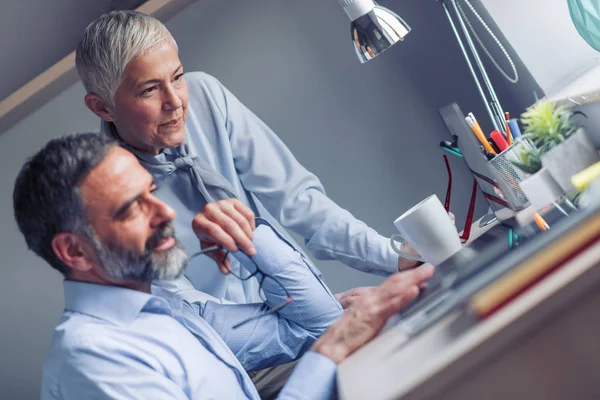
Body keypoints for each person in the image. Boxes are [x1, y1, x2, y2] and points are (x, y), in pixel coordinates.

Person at [14, 133, 435, 400]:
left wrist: (245, 235)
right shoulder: (92, 361)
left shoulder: (165, 308)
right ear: (75, 252)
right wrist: (331, 351)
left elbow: (311, 325)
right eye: (131, 209)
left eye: (153, 192)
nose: (164, 213)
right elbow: (325, 339)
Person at [76, 10, 423, 309]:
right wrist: (311, 319)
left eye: (177, 77)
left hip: (307, 309)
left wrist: (393, 257)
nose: (176, 101)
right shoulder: (107, 194)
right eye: (150, 89)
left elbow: (299, 203)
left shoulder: (205, 97)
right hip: (241, 357)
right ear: (102, 107)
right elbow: (186, 307)